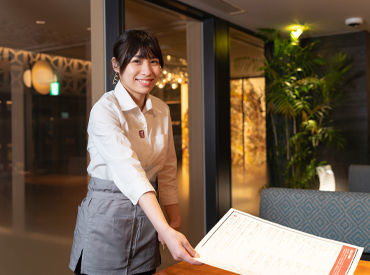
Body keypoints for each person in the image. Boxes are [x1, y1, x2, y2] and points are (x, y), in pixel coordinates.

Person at [69, 29, 200, 275]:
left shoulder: (161, 109)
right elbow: (129, 172)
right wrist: (163, 228)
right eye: (136, 61)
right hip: (107, 217)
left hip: (147, 218)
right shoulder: (105, 110)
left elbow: (168, 168)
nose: (147, 71)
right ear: (116, 65)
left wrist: (173, 219)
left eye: (154, 61)